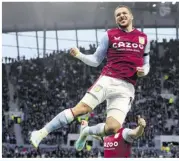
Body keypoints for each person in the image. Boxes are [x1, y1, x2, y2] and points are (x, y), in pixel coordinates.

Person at [30, 5, 150, 148]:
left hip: (127, 88)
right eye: (118, 15)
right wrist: (79, 55)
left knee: (112, 128)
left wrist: (144, 71)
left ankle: (86, 132)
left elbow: (146, 64)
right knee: (81, 109)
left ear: (131, 16)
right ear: (116, 19)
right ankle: (41, 133)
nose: (121, 16)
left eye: (124, 13)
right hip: (108, 80)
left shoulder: (143, 38)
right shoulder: (109, 35)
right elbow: (95, 60)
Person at [77, 115, 146, 158]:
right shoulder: (106, 135)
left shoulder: (124, 132)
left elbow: (136, 132)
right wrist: (86, 132)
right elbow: (98, 137)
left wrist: (141, 127)